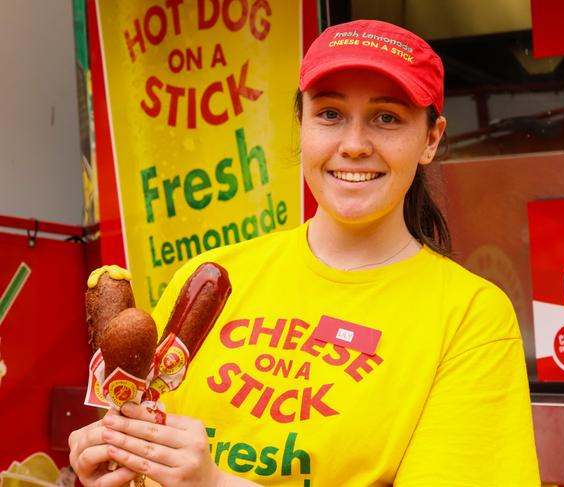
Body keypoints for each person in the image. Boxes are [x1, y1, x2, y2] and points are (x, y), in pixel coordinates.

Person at [69, 19, 540, 487]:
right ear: (302, 124)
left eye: (387, 118)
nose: (354, 145)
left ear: (431, 139)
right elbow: (150, 445)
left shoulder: (470, 317)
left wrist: (216, 484)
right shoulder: (210, 278)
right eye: (330, 114)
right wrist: (116, 465)